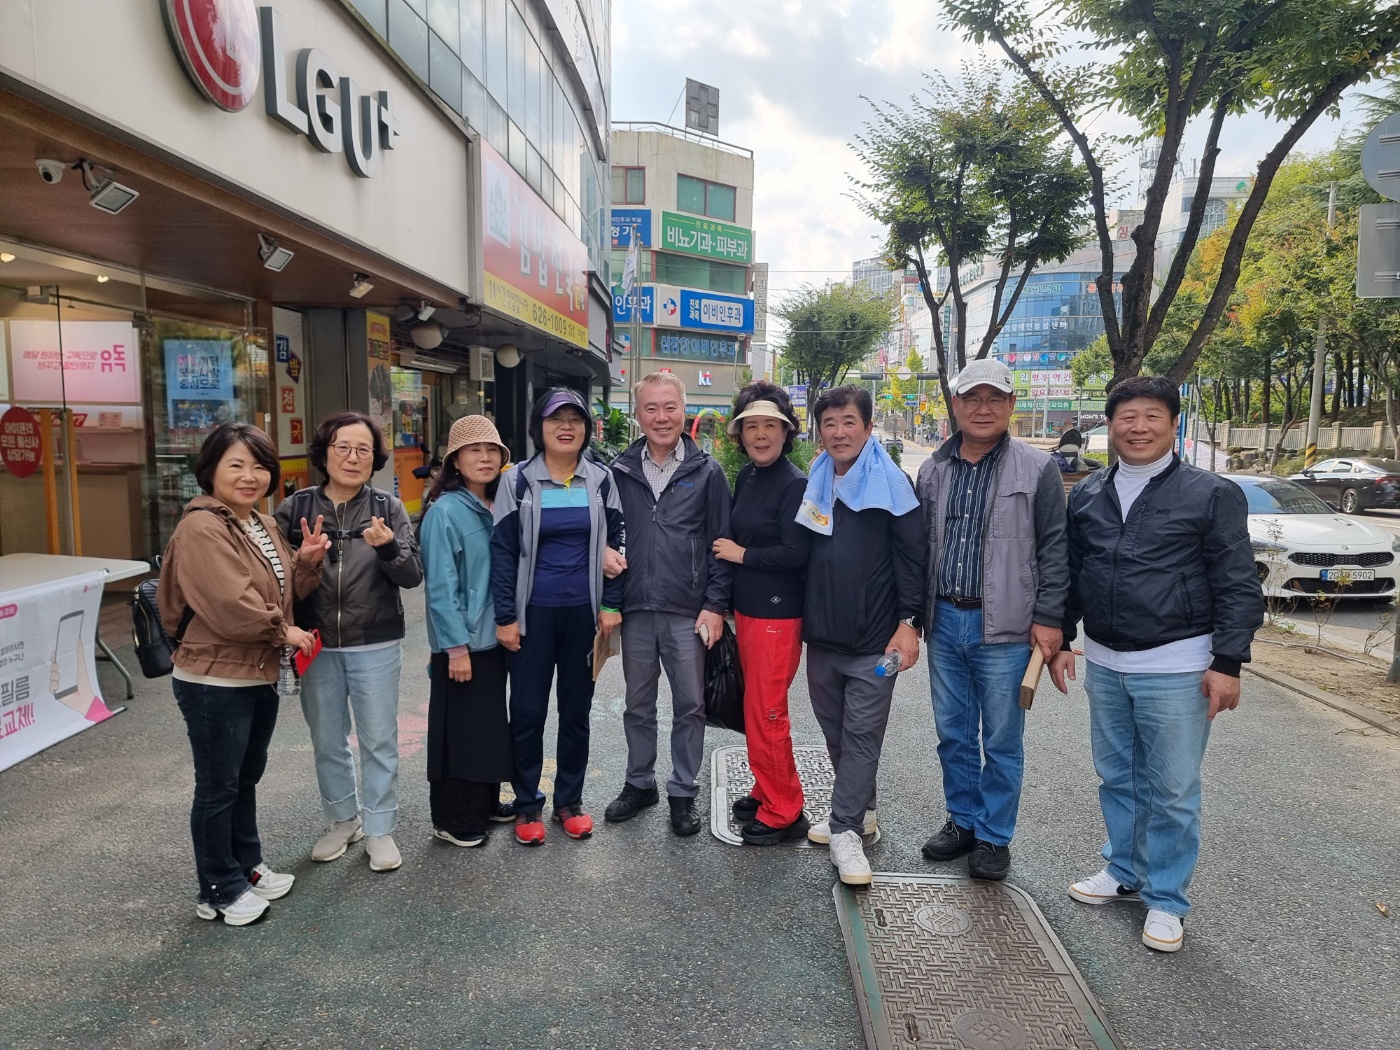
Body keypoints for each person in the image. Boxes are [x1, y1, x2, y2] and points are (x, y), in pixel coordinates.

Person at [1049, 376, 1264, 953]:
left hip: (1179, 663)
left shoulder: (1210, 493)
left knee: (1172, 788)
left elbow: (1237, 583)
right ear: (1110, 425)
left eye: (1151, 417)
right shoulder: (1090, 493)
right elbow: (1074, 573)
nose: (1138, 428)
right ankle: (1124, 870)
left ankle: (1166, 898)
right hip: (1105, 661)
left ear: (1173, 424)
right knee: (1118, 776)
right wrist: (1063, 637)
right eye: (1127, 417)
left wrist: (1228, 662)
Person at [157, 422, 327, 926]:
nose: (249, 476)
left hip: (255, 672)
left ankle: (246, 864)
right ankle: (218, 888)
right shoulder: (202, 527)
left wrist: (306, 564)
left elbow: (281, 589)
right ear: (210, 470)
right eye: (236, 465)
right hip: (214, 678)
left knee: (244, 778)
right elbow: (231, 603)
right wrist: (282, 631)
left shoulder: (259, 522)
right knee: (218, 786)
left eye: (259, 466)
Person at [915, 358, 1069, 881]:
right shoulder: (933, 469)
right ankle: (962, 821)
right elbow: (920, 547)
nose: (983, 409)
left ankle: (994, 835)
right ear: (955, 404)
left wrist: (1050, 619)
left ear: (1011, 406)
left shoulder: (1038, 468)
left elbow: (1055, 549)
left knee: (1001, 738)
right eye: (973, 398)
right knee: (953, 732)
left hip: (1007, 627)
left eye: (995, 399)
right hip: (944, 620)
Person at [275, 412, 423, 874]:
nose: (353, 457)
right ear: (324, 452)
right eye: (343, 447)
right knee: (326, 738)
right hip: (315, 641)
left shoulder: (388, 508)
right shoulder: (295, 508)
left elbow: (412, 575)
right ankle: (343, 820)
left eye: (363, 449)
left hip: (374, 640)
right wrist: (304, 560)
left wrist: (387, 547)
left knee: (379, 738)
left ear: (374, 458)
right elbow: (276, 580)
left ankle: (380, 827)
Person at [797, 385, 925, 885]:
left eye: (849, 421)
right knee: (835, 734)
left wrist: (909, 624)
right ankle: (863, 810)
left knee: (862, 736)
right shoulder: (817, 479)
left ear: (869, 428)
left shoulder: (892, 484)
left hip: (877, 641)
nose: (839, 432)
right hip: (823, 637)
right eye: (829, 423)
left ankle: (846, 830)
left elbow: (913, 558)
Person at [491, 389, 625, 846]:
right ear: (539, 427)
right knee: (527, 712)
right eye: (556, 419)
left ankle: (570, 800)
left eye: (575, 419)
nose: (566, 427)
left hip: (582, 616)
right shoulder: (517, 481)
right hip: (531, 617)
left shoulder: (600, 480)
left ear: (586, 429)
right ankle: (527, 802)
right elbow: (503, 552)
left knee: (576, 712)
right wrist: (506, 616)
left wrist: (611, 604)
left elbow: (618, 544)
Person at [606, 371, 733, 836]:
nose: (661, 417)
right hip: (636, 606)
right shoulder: (618, 471)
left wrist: (715, 605)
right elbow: (604, 533)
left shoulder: (708, 472)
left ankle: (683, 791)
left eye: (670, 407)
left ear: (684, 411)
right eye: (651, 408)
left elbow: (722, 544)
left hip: (688, 609)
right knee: (637, 704)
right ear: (638, 414)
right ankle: (639, 783)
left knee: (690, 704)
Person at [711, 382, 811, 845]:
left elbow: (796, 552)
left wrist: (741, 554)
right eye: (751, 426)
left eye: (771, 425)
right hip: (749, 612)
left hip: (778, 615)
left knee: (767, 712)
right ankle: (766, 788)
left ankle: (785, 809)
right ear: (740, 434)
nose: (760, 434)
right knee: (755, 708)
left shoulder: (794, 483)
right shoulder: (750, 476)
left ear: (786, 431)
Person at [418, 415, 513, 848]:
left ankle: (484, 803)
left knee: (486, 728)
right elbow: (441, 586)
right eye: (474, 450)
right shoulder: (445, 512)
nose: (485, 458)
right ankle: (453, 819)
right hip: (464, 644)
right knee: (458, 734)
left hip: (494, 637)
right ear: (455, 461)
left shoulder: (496, 503)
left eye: (492, 450)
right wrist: (455, 648)